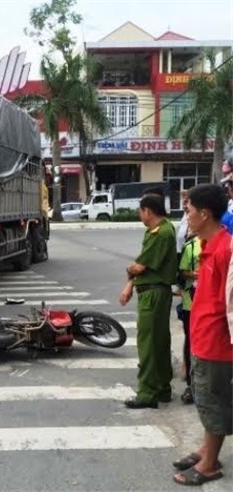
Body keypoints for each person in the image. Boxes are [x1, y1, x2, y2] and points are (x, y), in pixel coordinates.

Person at [173, 184, 232, 486]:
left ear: (204, 214)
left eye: (188, 211)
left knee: (214, 402)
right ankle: (208, 448)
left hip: (217, 345)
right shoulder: (208, 246)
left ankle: (209, 464)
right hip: (203, 340)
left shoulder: (226, 249)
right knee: (206, 400)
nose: (186, 217)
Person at [119, 193, 177, 409]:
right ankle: (162, 387)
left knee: (149, 344)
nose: (139, 214)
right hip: (156, 292)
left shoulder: (160, 233)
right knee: (159, 342)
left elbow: (139, 267)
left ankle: (147, 393)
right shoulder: (162, 230)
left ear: (148, 211)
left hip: (152, 294)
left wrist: (130, 271)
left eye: (140, 210)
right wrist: (131, 282)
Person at [177, 227, 200, 404]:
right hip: (190, 304)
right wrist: (193, 274)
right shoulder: (191, 246)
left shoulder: (223, 243)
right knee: (190, 344)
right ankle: (191, 386)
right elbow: (182, 272)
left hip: (214, 305)